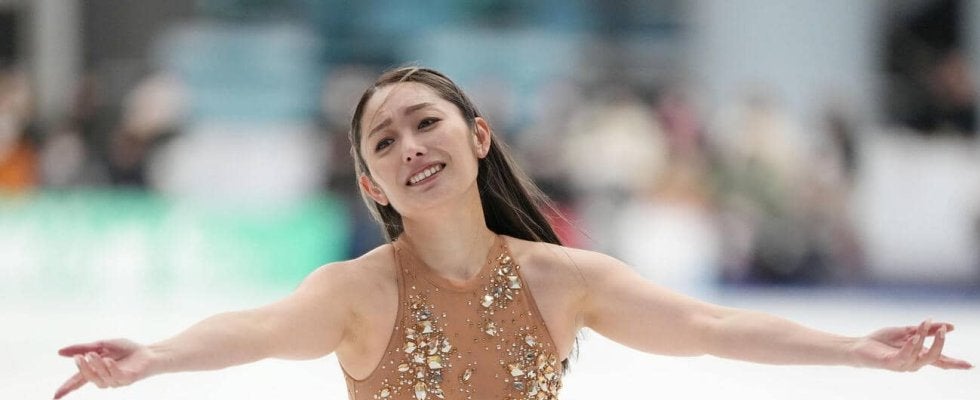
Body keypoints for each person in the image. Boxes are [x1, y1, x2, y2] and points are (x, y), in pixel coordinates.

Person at [53, 66, 972, 400]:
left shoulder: (565, 279)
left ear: (478, 136)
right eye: (385, 142)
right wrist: (153, 359)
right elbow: (252, 331)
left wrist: (856, 350)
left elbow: (712, 328)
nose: (412, 147)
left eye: (426, 123)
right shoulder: (354, 292)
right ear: (370, 183)